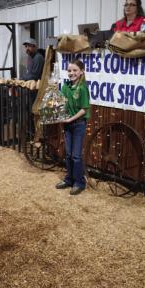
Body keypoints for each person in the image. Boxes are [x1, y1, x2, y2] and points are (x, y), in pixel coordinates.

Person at [55, 60, 91, 195]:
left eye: (75, 70)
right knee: (69, 154)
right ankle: (69, 179)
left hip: (78, 125)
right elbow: (62, 103)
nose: (72, 73)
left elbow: (83, 109)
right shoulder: (65, 87)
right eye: (69, 70)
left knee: (76, 156)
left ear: (81, 72)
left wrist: (70, 119)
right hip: (67, 125)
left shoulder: (82, 88)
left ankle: (79, 182)